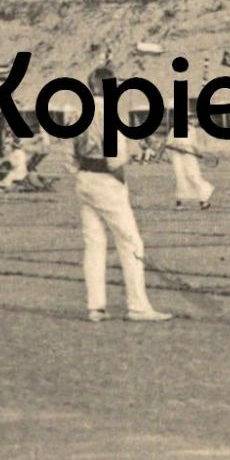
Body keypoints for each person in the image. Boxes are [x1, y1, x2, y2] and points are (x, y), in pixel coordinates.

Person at [73, 68, 172, 323]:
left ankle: (95, 306)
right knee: (131, 243)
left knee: (94, 244)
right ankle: (138, 306)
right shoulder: (108, 112)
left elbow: (68, 153)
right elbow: (115, 158)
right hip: (107, 182)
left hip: (84, 178)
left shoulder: (78, 111)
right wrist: (133, 151)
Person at [165, 124, 215, 210]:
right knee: (180, 177)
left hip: (190, 155)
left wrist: (198, 153)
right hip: (177, 156)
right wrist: (178, 149)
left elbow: (195, 145)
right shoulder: (174, 129)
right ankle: (179, 203)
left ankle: (203, 201)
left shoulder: (192, 130)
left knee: (194, 176)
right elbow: (168, 144)